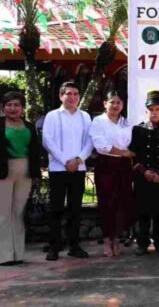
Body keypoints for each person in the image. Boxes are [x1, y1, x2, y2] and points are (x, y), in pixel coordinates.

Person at [0, 91, 41, 265]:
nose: (12, 108)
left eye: (16, 105)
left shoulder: (29, 127)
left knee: (19, 213)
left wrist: (36, 174)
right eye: (9, 105)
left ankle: (17, 254)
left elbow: (35, 151)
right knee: (3, 214)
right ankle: (3, 256)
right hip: (1, 173)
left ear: (22, 108)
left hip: (25, 171)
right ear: (3, 108)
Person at [42, 81, 93, 261]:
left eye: (75, 94)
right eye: (68, 94)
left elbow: (90, 141)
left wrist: (79, 159)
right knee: (56, 208)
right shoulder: (52, 115)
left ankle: (74, 245)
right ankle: (54, 246)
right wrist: (65, 161)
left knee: (75, 209)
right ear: (61, 96)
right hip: (58, 168)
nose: (72, 97)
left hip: (79, 168)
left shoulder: (85, 116)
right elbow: (47, 141)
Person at [129, 90, 159, 255]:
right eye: (151, 109)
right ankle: (142, 243)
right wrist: (145, 172)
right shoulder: (138, 130)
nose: (154, 112)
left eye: (157, 109)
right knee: (142, 212)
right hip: (143, 177)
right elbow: (133, 155)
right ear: (146, 111)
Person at [89, 90, 135, 257]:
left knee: (122, 203)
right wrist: (122, 152)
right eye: (112, 102)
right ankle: (107, 239)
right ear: (105, 104)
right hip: (106, 166)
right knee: (107, 203)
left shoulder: (126, 122)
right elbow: (100, 145)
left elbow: (129, 143)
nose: (115, 106)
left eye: (118, 103)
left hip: (123, 167)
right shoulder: (98, 121)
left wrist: (125, 154)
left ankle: (116, 239)